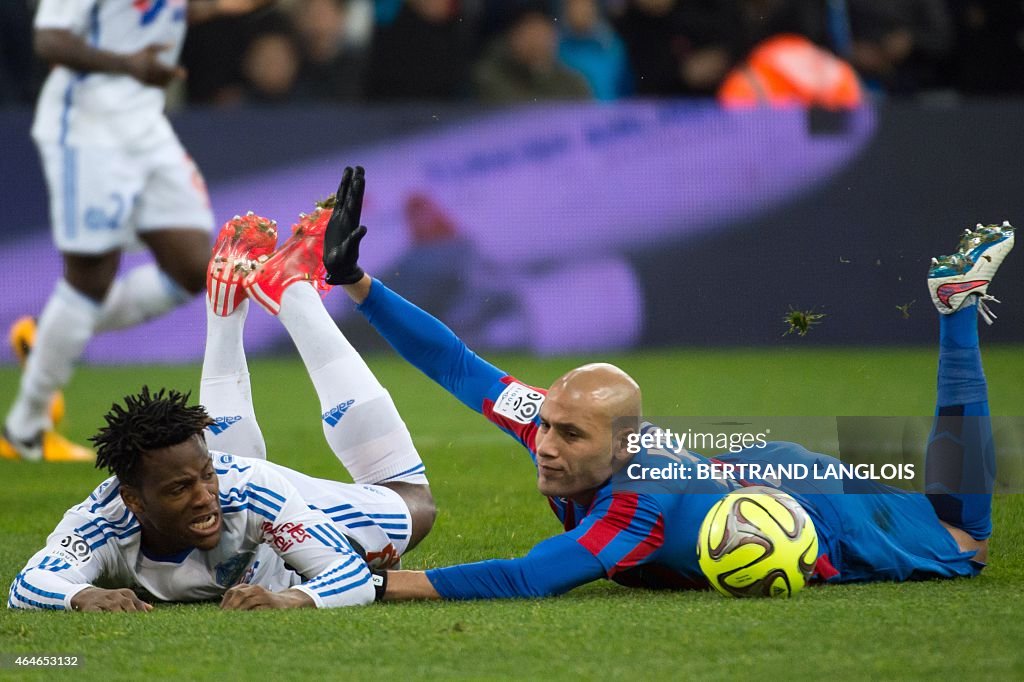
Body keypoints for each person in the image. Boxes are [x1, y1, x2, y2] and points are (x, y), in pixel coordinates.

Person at [320, 166, 1012, 600]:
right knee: (946, 504)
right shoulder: (556, 423)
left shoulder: (637, 506)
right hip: (741, 470)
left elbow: (532, 576)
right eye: (548, 425)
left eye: (568, 434)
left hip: (808, 503)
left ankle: (954, 315)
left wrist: (365, 585)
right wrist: (357, 283)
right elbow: (458, 364)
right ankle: (954, 311)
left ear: (619, 448)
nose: (545, 444)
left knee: (967, 541)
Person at [8, 179, 436, 611]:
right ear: (133, 501)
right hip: (247, 500)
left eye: (205, 475)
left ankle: (292, 295)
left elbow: (351, 575)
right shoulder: (102, 521)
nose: (203, 496)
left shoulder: (248, 489)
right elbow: (27, 584)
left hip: (276, 504)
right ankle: (231, 303)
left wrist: (292, 598)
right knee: (231, 477)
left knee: (413, 504)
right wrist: (80, 595)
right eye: (179, 488)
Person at [0, 0, 273, 462]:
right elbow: (50, 39)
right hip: (87, 129)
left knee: (192, 269)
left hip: (145, 127)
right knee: (91, 278)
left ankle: (46, 335)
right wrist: (130, 65)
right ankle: (24, 428)